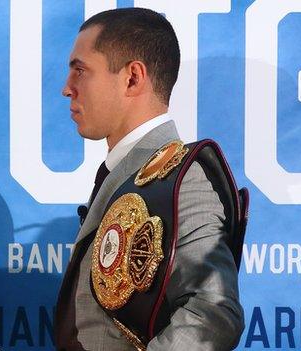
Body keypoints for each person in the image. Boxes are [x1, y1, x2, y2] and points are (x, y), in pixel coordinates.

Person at [54, 8, 247, 350]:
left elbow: (213, 313)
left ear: (132, 78)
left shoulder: (184, 179)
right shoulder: (126, 173)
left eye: (80, 71)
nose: (67, 89)